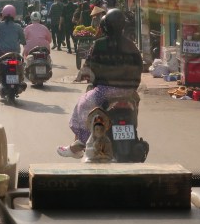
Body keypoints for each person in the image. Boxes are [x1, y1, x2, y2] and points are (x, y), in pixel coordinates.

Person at [57, 9, 143, 159]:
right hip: (129, 92)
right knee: (135, 105)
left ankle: (81, 143)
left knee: (82, 106)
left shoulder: (100, 44)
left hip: (104, 91)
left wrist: (83, 73)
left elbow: (89, 64)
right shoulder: (131, 45)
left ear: (105, 26)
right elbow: (139, 67)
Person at [0, 4, 26, 83]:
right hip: (15, 53)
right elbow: (23, 40)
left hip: (2, 52)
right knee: (20, 66)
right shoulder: (18, 26)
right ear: (14, 14)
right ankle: (20, 78)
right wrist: (22, 42)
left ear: (3, 14)